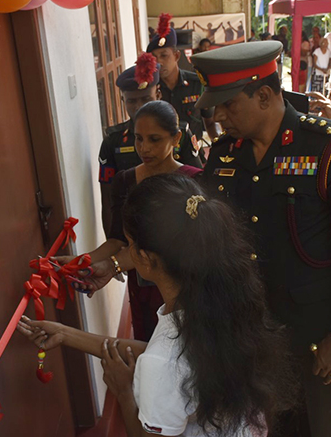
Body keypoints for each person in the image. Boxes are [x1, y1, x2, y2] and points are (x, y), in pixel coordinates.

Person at [192, 41, 331, 437]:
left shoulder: (329, 146)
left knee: (319, 426)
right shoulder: (224, 154)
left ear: (263, 95)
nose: (219, 116)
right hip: (250, 333)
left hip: (316, 335)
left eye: (228, 105)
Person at [19, 173, 300, 437]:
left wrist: (124, 391)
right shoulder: (223, 300)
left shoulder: (164, 360)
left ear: (144, 257)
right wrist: (66, 334)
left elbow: (165, 362)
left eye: (128, 244)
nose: (126, 253)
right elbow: (174, 360)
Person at [91, 101, 203, 341]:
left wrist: (113, 265)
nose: (144, 148)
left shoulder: (195, 181)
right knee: (148, 343)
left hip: (187, 288)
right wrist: (79, 263)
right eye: (138, 138)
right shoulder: (125, 181)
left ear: (176, 139)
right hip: (142, 286)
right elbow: (117, 239)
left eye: (154, 139)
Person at [98, 54, 202, 233]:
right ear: (123, 101)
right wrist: (114, 245)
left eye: (146, 99)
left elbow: (198, 185)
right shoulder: (112, 141)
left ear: (158, 94)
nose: (138, 107)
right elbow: (108, 202)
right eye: (131, 101)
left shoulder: (181, 134)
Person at [151, 14, 219, 143]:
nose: (159, 62)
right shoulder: (151, 88)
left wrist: (218, 148)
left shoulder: (197, 84)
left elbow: (209, 122)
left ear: (176, 56)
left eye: (164, 55)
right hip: (164, 155)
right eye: (154, 57)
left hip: (193, 153)